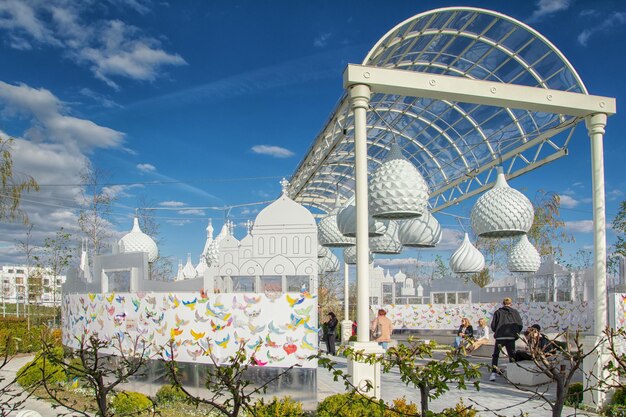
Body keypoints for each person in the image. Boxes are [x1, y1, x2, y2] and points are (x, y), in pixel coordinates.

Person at [490, 297, 523, 381]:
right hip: (511, 336)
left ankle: (493, 373)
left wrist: (497, 331)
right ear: (511, 304)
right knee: (512, 355)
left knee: (495, 355)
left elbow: (493, 325)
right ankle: (511, 375)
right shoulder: (515, 312)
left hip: (500, 336)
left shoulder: (497, 312)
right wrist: (515, 333)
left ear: (503, 303)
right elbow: (520, 324)